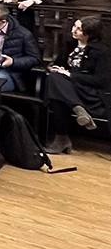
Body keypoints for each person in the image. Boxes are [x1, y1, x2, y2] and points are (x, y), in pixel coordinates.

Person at [43, 16, 111, 154]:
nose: (74, 30)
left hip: (90, 94)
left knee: (56, 89)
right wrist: (55, 68)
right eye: (74, 26)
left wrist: (70, 75)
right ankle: (78, 109)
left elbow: (101, 80)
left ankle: (61, 139)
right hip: (69, 89)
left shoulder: (102, 51)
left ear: (90, 33)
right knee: (54, 79)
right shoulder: (70, 44)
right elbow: (60, 64)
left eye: (79, 29)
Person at [0, 2, 42, 92]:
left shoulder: (23, 34)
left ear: (3, 22)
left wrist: (13, 62)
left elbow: (35, 58)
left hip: (10, 73)